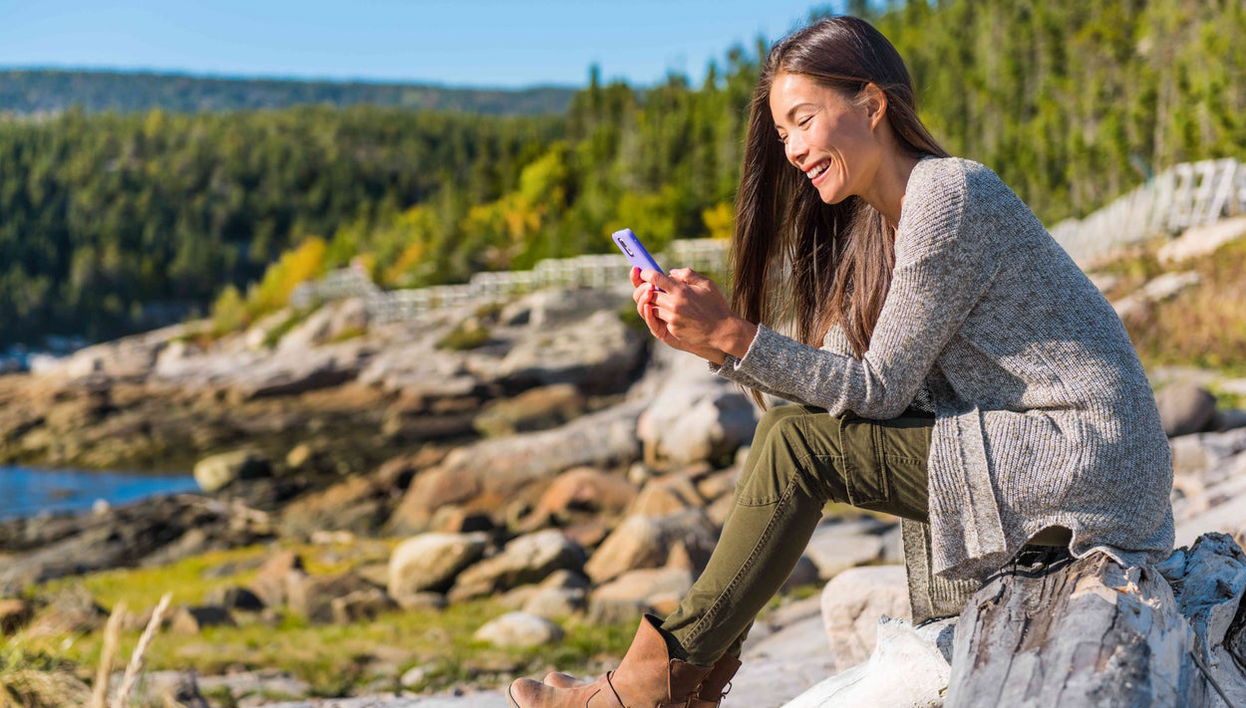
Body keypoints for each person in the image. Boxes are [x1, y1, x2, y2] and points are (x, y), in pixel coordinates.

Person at [506, 14, 1173, 708]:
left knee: (793, 442)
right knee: (793, 430)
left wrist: (735, 334)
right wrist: (711, 344)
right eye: (782, 132)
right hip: (1048, 451)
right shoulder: (884, 228)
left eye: (802, 120)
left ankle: (657, 684)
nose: (791, 148)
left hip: (1086, 455)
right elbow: (835, 385)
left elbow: (875, 391)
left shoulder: (949, 196)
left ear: (872, 105)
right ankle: (681, 680)